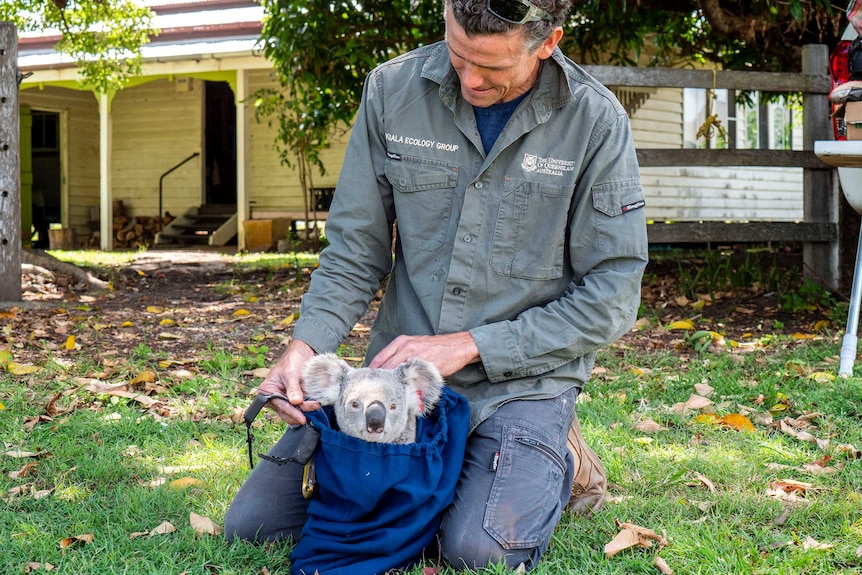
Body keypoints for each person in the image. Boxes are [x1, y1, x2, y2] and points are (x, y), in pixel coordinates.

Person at [225, 0, 648, 570]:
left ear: (547, 43)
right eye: (457, 55)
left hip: (521, 382)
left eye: (492, 70)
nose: (470, 79)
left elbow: (614, 294)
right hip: (396, 387)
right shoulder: (391, 91)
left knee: (476, 553)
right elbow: (355, 251)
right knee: (253, 527)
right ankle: (449, 473)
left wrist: (468, 345)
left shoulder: (595, 121)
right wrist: (303, 346)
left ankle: (559, 454)